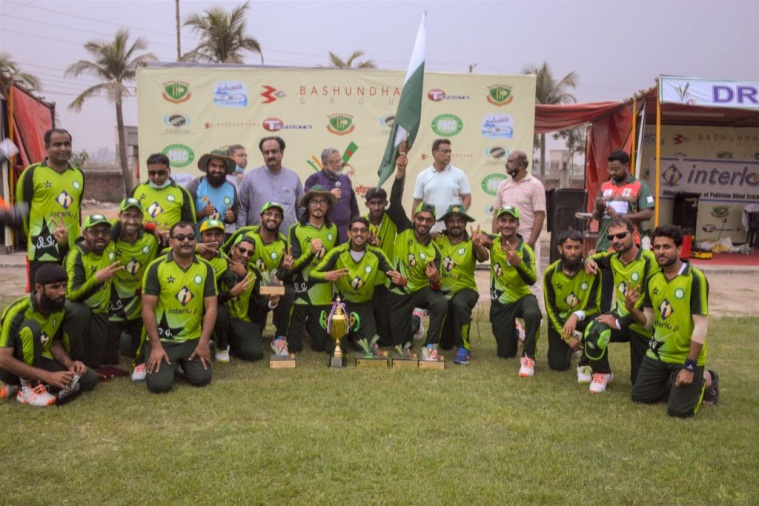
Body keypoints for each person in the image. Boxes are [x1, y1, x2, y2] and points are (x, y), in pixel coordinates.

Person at [625, 225, 719, 417]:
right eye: (657, 247)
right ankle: (675, 383)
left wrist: (690, 366)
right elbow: (649, 322)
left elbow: (701, 325)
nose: (661, 251)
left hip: (685, 357)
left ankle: (706, 379)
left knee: (678, 411)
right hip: (658, 353)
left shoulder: (695, 278)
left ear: (679, 249)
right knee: (640, 397)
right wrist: (631, 309)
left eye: (666, 247)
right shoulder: (652, 279)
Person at [0, 264, 98, 406]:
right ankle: (27, 387)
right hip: (8, 369)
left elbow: (53, 342)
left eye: (64, 286)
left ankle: (20, 385)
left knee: (89, 379)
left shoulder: (57, 308)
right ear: (38, 287)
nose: (62, 292)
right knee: (31, 328)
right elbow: (3, 359)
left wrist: (69, 363)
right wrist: (48, 376)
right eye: (55, 287)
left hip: (39, 358)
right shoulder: (17, 312)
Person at [584, 217, 658, 392]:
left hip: (643, 325)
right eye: (611, 237)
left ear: (634, 234)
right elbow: (593, 257)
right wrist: (588, 261)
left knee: (640, 385)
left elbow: (648, 304)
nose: (616, 240)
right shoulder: (613, 258)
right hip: (620, 317)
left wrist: (618, 322)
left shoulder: (650, 261)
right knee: (594, 328)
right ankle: (602, 372)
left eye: (621, 235)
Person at [385, 154, 448, 359]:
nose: (423, 223)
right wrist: (400, 172)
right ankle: (416, 321)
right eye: (420, 218)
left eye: (428, 220)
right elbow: (395, 201)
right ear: (414, 218)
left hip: (419, 290)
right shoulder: (404, 228)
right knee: (398, 344)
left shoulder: (434, 250)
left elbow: (437, 286)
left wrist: (436, 280)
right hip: (398, 291)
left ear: (433, 222)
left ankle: (430, 346)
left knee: (440, 302)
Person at [142, 222, 216, 393]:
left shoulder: (206, 268)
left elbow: (211, 308)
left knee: (202, 379)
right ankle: (158, 357)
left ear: (196, 240)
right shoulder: (156, 267)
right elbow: (147, 309)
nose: (186, 241)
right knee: (159, 386)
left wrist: (203, 342)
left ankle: (183, 362)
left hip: (192, 339)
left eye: (190, 237)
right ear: (171, 242)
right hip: (164, 339)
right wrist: (156, 346)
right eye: (180, 237)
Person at [311, 216, 402, 347]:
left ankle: (354, 334)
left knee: (369, 349)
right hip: (342, 305)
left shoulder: (377, 254)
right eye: (355, 230)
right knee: (335, 349)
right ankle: (345, 333)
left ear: (368, 234)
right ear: (349, 233)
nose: (359, 234)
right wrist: (327, 275)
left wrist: (402, 280)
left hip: (364, 307)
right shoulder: (337, 252)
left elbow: (394, 275)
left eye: (363, 230)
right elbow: (313, 274)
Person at [16, 128, 84, 290]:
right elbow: (21, 212)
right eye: (57, 144)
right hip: (41, 249)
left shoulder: (78, 174)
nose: (63, 148)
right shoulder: (32, 173)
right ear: (46, 147)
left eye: (67, 144)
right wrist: (31, 237)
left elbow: (77, 211)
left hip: (70, 250)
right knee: (41, 299)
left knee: (70, 295)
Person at [593, 150, 655, 313]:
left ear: (627, 166)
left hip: (629, 247)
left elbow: (647, 214)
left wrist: (621, 217)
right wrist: (599, 209)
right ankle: (604, 319)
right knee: (603, 291)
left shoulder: (640, 186)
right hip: (605, 245)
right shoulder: (605, 186)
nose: (612, 173)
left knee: (630, 288)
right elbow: (596, 215)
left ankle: (630, 319)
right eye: (610, 169)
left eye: (616, 169)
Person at [486, 205, 542, 377]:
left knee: (533, 313)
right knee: (506, 353)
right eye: (503, 220)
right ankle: (518, 332)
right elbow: (479, 237)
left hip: (522, 297)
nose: (507, 225)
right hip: (502, 303)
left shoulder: (525, 250)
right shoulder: (494, 241)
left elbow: (532, 279)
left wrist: (518, 263)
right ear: (497, 223)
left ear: (518, 224)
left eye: (511, 221)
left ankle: (528, 357)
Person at [107, 198, 160, 382]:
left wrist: (153, 228)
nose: (131, 220)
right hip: (116, 305)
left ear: (142, 218)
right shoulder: (110, 240)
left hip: (139, 305)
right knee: (110, 358)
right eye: (127, 215)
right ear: (119, 216)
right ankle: (124, 339)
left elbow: (174, 242)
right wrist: (150, 225)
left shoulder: (151, 240)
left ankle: (129, 340)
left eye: (136, 216)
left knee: (136, 351)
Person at [283, 185, 339, 354]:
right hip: (301, 292)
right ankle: (299, 327)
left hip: (323, 295)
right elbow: (293, 267)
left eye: (323, 202)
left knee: (320, 346)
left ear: (328, 206)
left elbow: (335, 260)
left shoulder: (333, 229)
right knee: (293, 347)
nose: (318, 206)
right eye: (314, 201)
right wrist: (311, 252)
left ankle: (310, 327)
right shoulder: (295, 229)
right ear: (308, 205)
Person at [224, 202, 293, 339]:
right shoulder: (244, 232)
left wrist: (287, 269)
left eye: (277, 216)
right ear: (261, 217)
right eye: (269, 214)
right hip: (248, 283)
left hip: (269, 283)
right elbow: (224, 251)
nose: (272, 218)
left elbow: (282, 276)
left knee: (288, 291)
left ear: (281, 221)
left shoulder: (284, 242)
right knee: (255, 335)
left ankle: (280, 338)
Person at [63, 214, 123, 369]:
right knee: (78, 311)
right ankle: (72, 357)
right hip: (78, 313)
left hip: (100, 312)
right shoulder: (76, 254)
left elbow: (127, 219)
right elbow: (73, 294)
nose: (100, 236)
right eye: (94, 232)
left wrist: (153, 228)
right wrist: (97, 279)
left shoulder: (109, 245)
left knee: (99, 362)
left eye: (105, 231)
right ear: (84, 234)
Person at [543, 230, 600, 382]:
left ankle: (585, 363)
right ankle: (570, 346)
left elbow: (595, 307)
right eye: (568, 247)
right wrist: (567, 338)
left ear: (583, 247)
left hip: (582, 319)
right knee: (558, 365)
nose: (573, 252)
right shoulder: (550, 273)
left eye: (577, 247)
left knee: (597, 324)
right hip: (561, 322)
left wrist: (576, 315)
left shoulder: (593, 271)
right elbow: (550, 310)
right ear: (560, 249)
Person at [435, 205, 489, 365]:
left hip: (466, 290)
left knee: (459, 303)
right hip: (444, 294)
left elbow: (484, 257)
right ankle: (456, 325)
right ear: (446, 223)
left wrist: (478, 246)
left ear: (465, 223)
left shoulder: (471, 242)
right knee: (445, 345)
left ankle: (464, 348)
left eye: (460, 221)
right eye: (451, 221)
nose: (456, 224)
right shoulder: (438, 239)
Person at [491, 150, 546, 282]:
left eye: (510, 162)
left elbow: (540, 215)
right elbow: (496, 214)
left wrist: (531, 242)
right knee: (506, 276)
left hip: (527, 239)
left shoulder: (535, 185)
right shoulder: (503, 185)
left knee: (530, 278)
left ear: (520, 165)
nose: (506, 164)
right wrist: (494, 240)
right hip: (506, 240)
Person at [195, 219, 246, 363]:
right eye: (208, 234)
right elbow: (166, 251)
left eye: (217, 234)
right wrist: (195, 248)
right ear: (201, 237)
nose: (213, 238)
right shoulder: (189, 254)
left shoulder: (224, 260)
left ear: (223, 237)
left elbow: (233, 285)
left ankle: (222, 346)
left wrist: (241, 276)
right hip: (185, 302)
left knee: (220, 311)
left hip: (207, 302)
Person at [216, 235, 273, 361]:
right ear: (232, 249)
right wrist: (231, 293)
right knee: (219, 312)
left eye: (250, 253)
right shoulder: (220, 265)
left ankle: (230, 344)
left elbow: (261, 301)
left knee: (254, 354)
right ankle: (219, 343)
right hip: (221, 318)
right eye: (242, 250)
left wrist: (272, 302)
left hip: (241, 320)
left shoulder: (254, 271)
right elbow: (211, 298)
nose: (245, 255)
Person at [237, 136, 304, 232]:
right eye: (266, 152)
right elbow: (241, 209)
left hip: (286, 236)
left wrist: (303, 233)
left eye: (274, 151)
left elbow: (301, 209)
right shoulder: (250, 177)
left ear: (282, 153)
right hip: (257, 237)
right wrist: (242, 234)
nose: (270, 156)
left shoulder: (293, 177)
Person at [131, 153, 196, 243]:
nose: (156, 176)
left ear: (169, 171)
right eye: (152, 173)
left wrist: (176, 234)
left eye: (161, 173)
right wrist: (151, 228)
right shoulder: (137, 190)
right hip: (141, 243)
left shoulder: (182, 192)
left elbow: (190, 223)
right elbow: (127, 218)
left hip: (170, 244)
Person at [412, 139, 471, 232]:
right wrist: (413, 224)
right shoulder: (422, 176)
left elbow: (467, 198)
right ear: (435, 153)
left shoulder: (459, 174)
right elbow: (417, 202)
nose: (448, 155)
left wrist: (458, 215)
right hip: (429, 228)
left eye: (450, 152)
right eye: (445, 151)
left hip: (452, 229)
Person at [363, 187, 397, 346]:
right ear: (366, 204)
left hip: (385, 282)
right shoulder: (361, 224)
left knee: (386, 339)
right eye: (373, 203)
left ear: (386, 203)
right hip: (366, 281)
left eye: (380, 203)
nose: (376, 207)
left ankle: (415, 321)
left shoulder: (392, 220)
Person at [304, 147, 359, 243]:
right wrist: (329, 196)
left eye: (340, 161)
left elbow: (353, 206)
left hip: (344, 232)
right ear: (325, 164)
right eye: (336, 162)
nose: (339, 164)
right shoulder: (314, 179)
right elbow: (307, 204)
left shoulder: (345, 179)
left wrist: (355, 226)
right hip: (323, 231)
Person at [185, 150, 239, 236]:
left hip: (220, 240)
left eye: (221, 167)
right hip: (196, 240)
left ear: (226, 169)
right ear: (207, 166)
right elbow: (185, 217)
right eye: (214, 165)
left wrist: (231, 218)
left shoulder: (231, 188)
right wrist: (203, 213)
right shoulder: (195, 185)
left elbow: (235, 214)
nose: (217, 170)